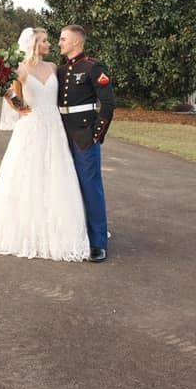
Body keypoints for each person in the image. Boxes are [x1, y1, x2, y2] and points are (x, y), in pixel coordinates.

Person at [0, 28, 90, 262]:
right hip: (31, 127)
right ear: (33, 44)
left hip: (54, 127)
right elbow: (7, 92)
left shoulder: (53, 68)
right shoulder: (20, 70)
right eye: (44, 40)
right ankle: (26, 231)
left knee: (55, 174)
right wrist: (19, 106)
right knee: (29, 175)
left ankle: (61, 232)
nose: (49, 43)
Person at [56, 25, 115, 263]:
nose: (59, 43)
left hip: (83, 136)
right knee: (66, 187)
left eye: (63, 39)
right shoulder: (60, 71)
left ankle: (98, 242)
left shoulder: (93, 67)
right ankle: (75, 234)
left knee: (91, 188)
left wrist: (96, 134)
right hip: (60, 135)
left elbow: (108, 104)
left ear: (76, 42)